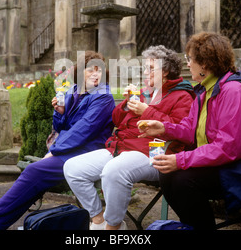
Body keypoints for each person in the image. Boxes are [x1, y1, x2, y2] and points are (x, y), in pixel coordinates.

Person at [138, 32, 241, 230]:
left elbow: (230, 148)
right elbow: (190, 130)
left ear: (204, 64)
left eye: (190, 59)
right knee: (168, 174)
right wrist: (164, 128)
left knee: (183, 179)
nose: (187, 64)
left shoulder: (233, 92)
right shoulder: (204, 91)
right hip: (229, 163)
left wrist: (180, 160)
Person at [0, 51, 116, 230]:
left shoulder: (103, 97)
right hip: (69, 150)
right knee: (35, 174)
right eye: (90, 70)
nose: (96, 74)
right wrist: (59, 111)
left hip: (87, 153)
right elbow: (60, 128)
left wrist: (53, 151)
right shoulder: (75, 92)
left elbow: (83, 131)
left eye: (99, 70)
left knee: (34, 171)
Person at [64, 45, 195, 230]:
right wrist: (126, 104)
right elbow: (116, 120)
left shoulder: (182, 96)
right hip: (122, 148)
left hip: (154, 153)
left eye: (150, 68)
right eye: (144, 67)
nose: (145, 72)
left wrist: (147, 111)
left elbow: (181, 131)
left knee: (114, 172)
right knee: (72, 168)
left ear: (165, 71)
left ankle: (114, 227)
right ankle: (98, 220)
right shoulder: (145, 92)